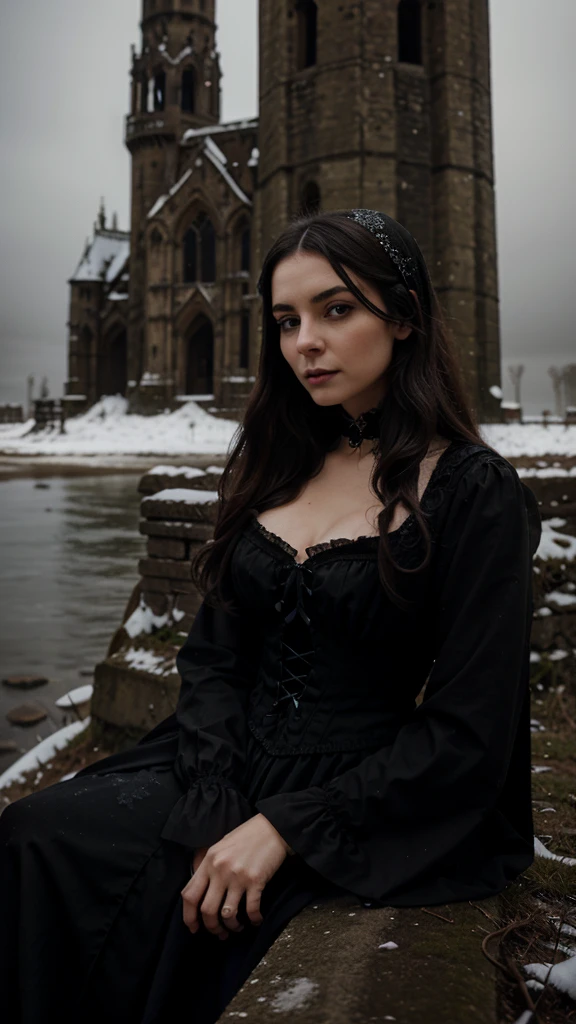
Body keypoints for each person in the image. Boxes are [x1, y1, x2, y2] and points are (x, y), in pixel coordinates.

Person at [0, 209, 542, 1024]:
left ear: (403, 316)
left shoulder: (471, 490)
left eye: (335, 310)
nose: (304, 344)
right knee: (38, 838)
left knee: (216, 937)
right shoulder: (273, 458)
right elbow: (214, 659)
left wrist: (286, 827)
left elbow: (472, 728)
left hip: (364, 792)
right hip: (221, 762)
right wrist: (217, 790)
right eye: (286, 321)